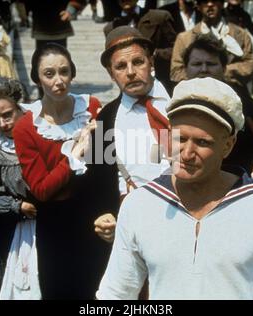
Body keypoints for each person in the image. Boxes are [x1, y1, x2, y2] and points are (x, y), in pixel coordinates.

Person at [96, 77, 253, 300]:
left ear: (228, 145)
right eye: (180, 138)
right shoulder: (140, 206)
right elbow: (116, 294)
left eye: (202, 142)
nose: (186, 153)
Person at [12, 43, 109, 299]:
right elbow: (41, 189)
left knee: (97, 290)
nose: (59, 81)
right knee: (61, 289)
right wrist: (74, 155)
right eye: (49, 74)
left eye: (64, 72)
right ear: (37, 78)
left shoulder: (91, 108)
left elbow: (103, 165)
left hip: (93, 215)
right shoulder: (26, 128)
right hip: (55, 223)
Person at [92, 26, 172, 243]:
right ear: (111, 73)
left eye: (138, 62)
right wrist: (106, 215)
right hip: (137, 227)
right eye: (120, 66)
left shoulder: (182, 98)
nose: (130, 72)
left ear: (151, 62)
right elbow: (100, 180)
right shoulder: (105, 120)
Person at [0, 76, 40, 299]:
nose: (3, 124)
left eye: (7, 115)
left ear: (18, 106)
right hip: (13, 233)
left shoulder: (43, 129)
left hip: (50, 224)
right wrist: (17, 206)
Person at [183, 33, 253, 185]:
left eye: (211, 64)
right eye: (197, 64)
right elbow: (163, 155)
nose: (204, 69)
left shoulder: (247, 110)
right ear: (186, 68)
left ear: (224, 68)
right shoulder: (170, 105)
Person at [171, 0, 253, 87]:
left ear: (222, 4)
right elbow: (176, 72)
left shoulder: (240, 34)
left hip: (233, 90)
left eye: (214, 1)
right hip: (195, 93)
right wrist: (201, 81)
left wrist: (220, 73)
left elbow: (249, 66)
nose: (210, 4)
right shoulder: (184, 38)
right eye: (205, 1)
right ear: (198, 6)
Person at [104, 0, 178, 93]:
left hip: (163, 83)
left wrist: (156, 54)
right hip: (131, 88)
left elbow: (178, 50)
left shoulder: (159, 18)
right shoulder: (110, 29)